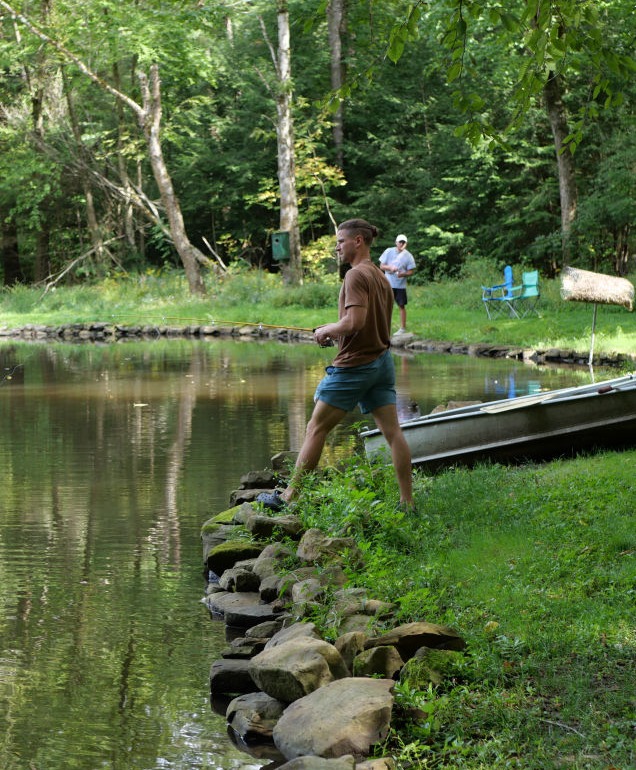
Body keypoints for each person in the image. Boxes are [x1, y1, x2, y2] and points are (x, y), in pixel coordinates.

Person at [257, 218, 414, 512]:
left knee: (315, 428)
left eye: (340, 242)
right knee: (394, 434)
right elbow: (365, 324)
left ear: (358, 241)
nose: (337, 247)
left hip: (356, 366)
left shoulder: (355, 276)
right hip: (381, 361)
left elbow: (355, 322)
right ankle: (407, 502)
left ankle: (290, 496)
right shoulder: (380, 276)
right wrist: (336, 331)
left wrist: (327, 330)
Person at [379, 234, 416, 334]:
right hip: (388, 284)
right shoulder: (388, 251)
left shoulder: (408, 256)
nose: (401, 244)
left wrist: (403, 274)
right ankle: (384, 328)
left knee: (401, 306)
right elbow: (381, 266)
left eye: (403, 242)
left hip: (400, 286)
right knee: (386, 306)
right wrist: (390, 268)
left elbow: (411, 271)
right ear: (396, 242)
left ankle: (403, 328)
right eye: (400, 242)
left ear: (406, 244)